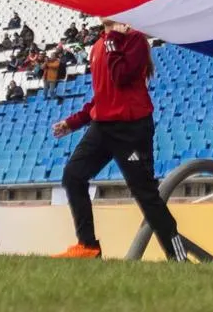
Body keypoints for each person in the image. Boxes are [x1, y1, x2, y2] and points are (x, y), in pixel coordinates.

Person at [50, 20, 185, 261]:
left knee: (145, 194)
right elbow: (102, 95)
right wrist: (72, 122)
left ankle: (178, 256)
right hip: (102, 127)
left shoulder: (134, 40)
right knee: (73, 175)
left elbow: (120, 76)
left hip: (131, 129)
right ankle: (88, 246)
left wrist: (113, 38)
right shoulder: (98, 45)